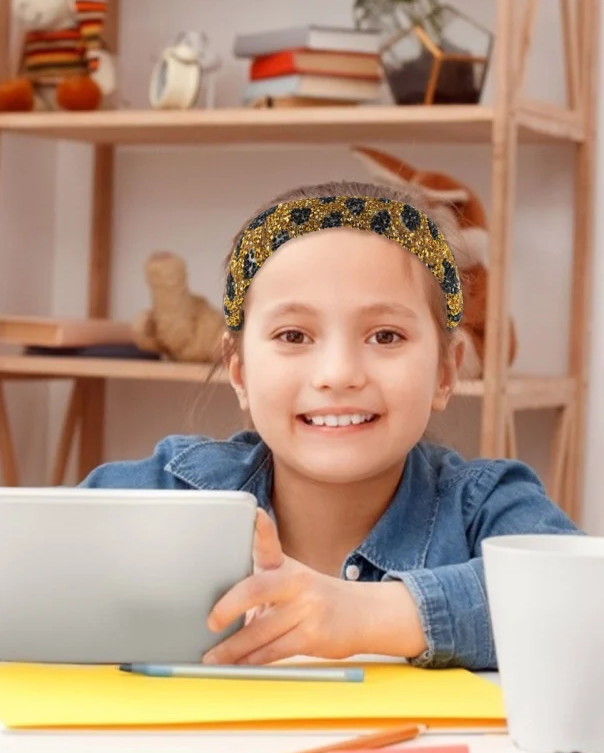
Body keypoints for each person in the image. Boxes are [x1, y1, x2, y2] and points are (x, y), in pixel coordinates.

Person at [82, 181, 580, 670]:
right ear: (240, 373)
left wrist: (364, 615)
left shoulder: (484, 505)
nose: (338, 374)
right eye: (294, 335)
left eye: (386, 336)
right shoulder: (172, 486)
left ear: (445, 372)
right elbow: (17, 569)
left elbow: (579, 601)